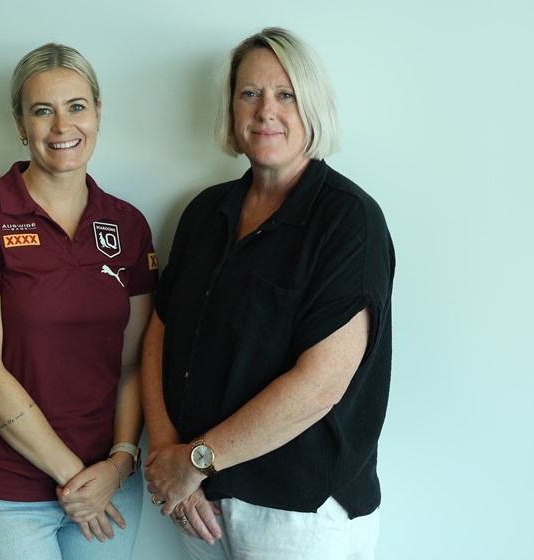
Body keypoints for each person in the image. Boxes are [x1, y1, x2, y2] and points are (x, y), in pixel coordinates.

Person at [142, 27, 395, 560]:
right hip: (200, 502)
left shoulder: (349, 221)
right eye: (249, 93)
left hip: (296, 511)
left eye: (286, 94)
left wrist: (193, 461)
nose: (265, 111)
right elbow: (159, 335)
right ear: (232, 109)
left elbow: (319, 386)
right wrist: (168, 455)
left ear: (313, 106)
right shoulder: (204, 213)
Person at [0, 43, 156, 559]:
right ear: (20, 123)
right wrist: (74, 476)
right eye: (42, 110)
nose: (62, 125)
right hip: (5, 493)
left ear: (98, 112)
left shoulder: (128, 224)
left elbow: (134, 362)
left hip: (109, 485)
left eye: (77, 106)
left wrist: (120, 462)